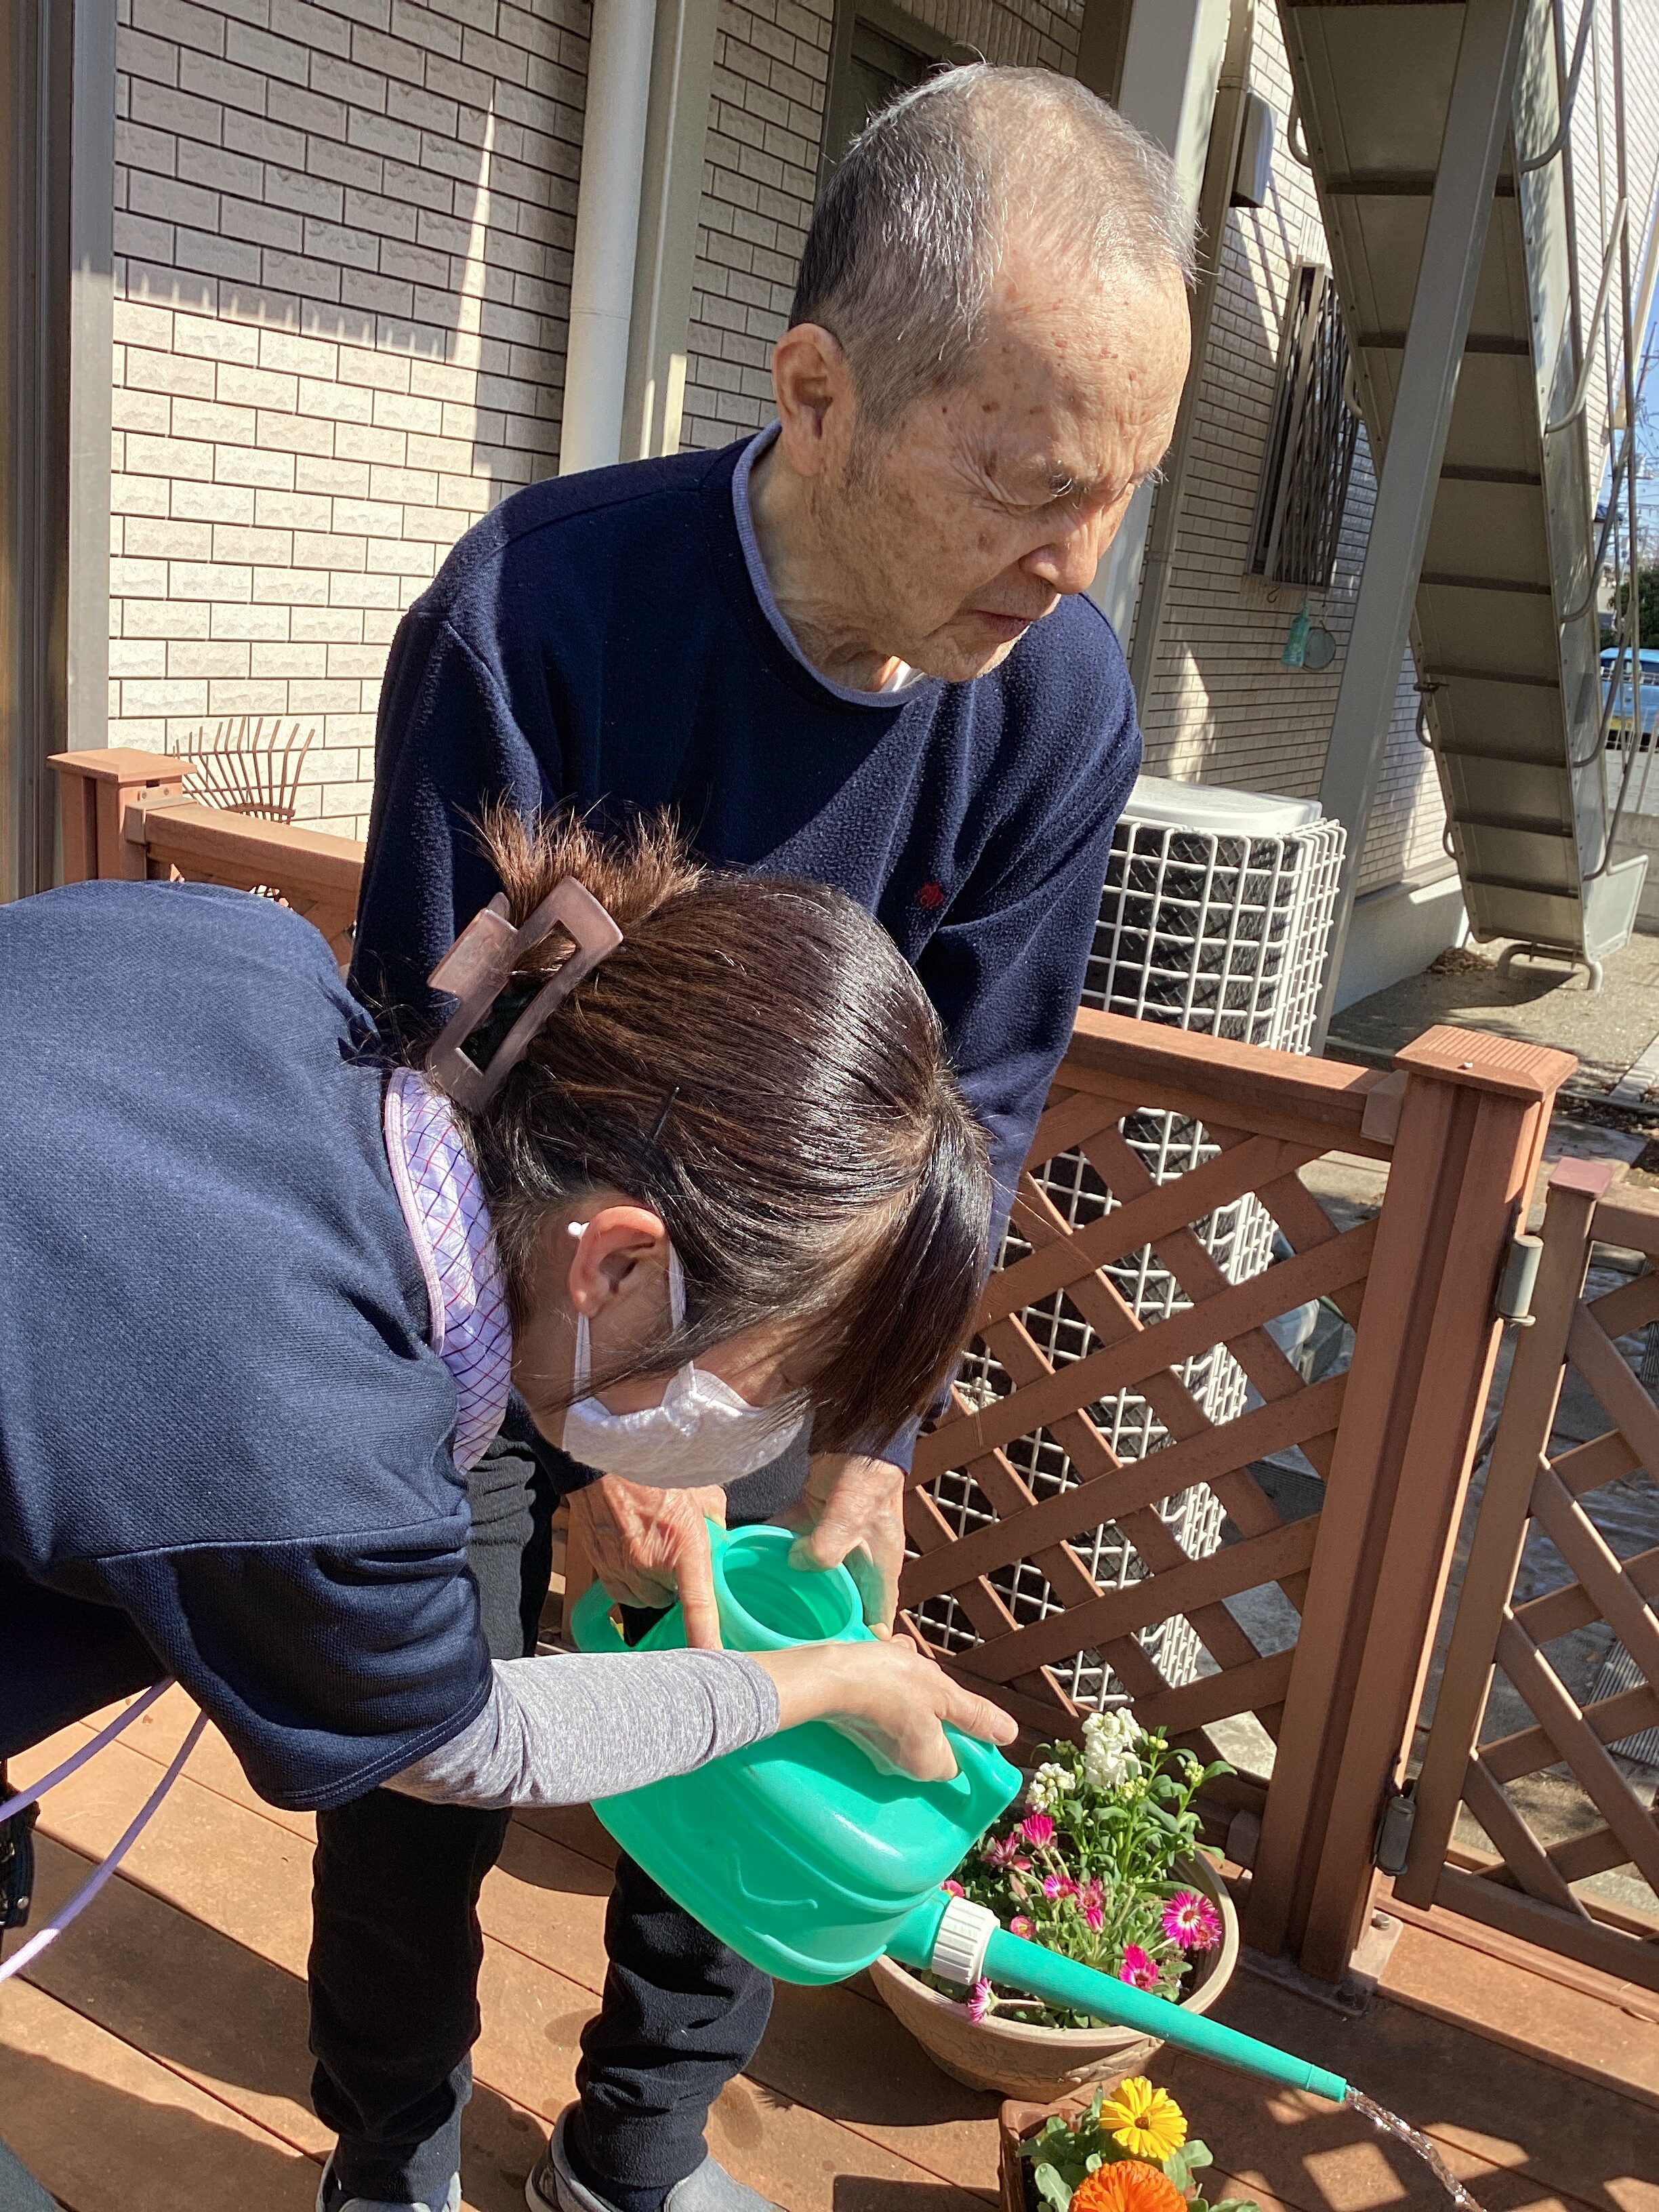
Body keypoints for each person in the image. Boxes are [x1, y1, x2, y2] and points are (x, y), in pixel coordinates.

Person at [341, 61, 1195, 2212]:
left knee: (790, 1687)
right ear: (815, 389)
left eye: (1124, 496)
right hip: (493, 1296)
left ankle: (632, 2149)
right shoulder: (539, 609)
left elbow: (976, 1103)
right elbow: (420, 1081)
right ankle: (395, 2152)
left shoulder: (1058, 699)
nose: (1072, 566)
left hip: (793, 1303)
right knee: (417, 1753)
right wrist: (605, 1444)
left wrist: (864, 1440)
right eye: (1026, 485)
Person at [0, 817, 1017, 2211]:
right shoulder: (318, 1436)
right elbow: (461, 1745)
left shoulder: (243, 955)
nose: (768, 1436)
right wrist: (821, 1677)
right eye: (780, 1381)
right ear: (612, 1268)